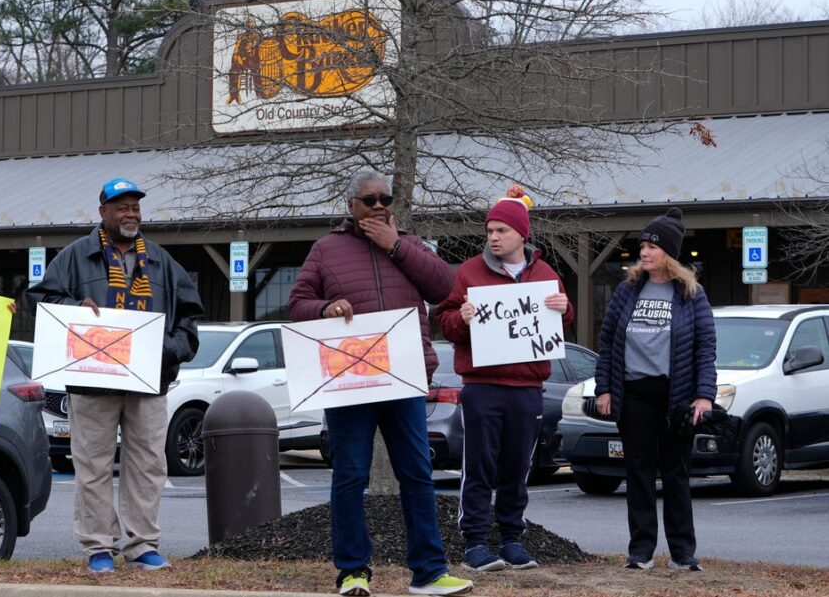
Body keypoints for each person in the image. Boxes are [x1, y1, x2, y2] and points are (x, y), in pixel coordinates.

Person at [288, 170, 472, 597]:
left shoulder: (408, 244)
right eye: (368, 200)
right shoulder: (326, 249)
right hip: (350, 380)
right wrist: (325, 308)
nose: (378, 207)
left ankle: (429, 571)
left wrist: (395, 246)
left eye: (384, 199)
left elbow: (445, 287)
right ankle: (353, 572)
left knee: (417, 474)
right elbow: (297, 304)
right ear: (350, 205)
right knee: (350, 476)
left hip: (403, 377)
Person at [27, 177, 203, 573]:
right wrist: (74, 306)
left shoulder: (161, 261)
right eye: (121, 207)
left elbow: (190, 321)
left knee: (147, 465)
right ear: (102, 212)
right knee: (92, 466)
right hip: (93, 382)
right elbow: (40, 300)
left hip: (148, 382)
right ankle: (98, 548)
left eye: (135, 207)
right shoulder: (74, 257)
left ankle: (143, 545)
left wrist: (167, 350)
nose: (130, 214)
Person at [435, 184, 573, 572]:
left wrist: (564, 309)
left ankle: (512, 538)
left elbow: (561, 323)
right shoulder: (469, 273)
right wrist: (458, 320)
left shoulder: (544, 273)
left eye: (501, 231)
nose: (493, 238)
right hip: (482, 387)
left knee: (517, 468)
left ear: (521, 235)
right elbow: (444, 321)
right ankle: (475, 542)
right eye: (490, 231)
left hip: (528, 388)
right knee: (479, 465)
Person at [593, 207, 716, 572]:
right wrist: (604, 389)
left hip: (675, 395)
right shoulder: (627, 290)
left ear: (669, 253)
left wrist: (703, 394)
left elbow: (705, 348)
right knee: (639, 471)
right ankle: (641, 551)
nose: (644, 252)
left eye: (652, 246)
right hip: (634, 393)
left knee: (676, 472)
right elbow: (609, 341)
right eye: (642, 245)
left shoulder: (691, 294)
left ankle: (682, 553)